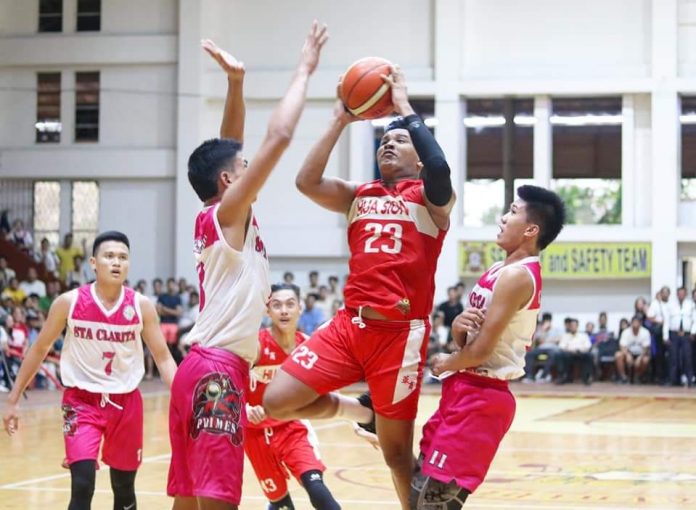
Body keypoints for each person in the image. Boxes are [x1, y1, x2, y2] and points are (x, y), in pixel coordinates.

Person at [263, 65, 456, 509]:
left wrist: (404, 106)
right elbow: (305, 182)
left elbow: (441, 166)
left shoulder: (431, 201)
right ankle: (360, 411)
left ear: (419, 158)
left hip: (399, 336)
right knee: (276, 400)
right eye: (383, 139)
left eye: (400, 139)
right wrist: (340, 119)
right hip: (350, 327)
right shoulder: (358, 194)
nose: (388, 141)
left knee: (395, 455)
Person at [166, 23, 328, 510]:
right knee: (216, 501)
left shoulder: (221, 215)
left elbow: (227, 146)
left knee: (190, 500)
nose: (249, 169)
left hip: (199, 369)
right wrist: (303, 70)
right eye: (242, 168)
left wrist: (236, 85)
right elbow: (278, 136)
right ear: (227, 180)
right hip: (217, 372)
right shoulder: (228, 214)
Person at [2, 231, 177, 510]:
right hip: (81, 402)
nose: (116, 262)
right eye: (109, 256)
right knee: (82, 484)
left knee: (124, 488)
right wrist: (12, 400)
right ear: (94, 263)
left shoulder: (141, 306)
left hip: (125, 402)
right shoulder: (68, 303)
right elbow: (39, 349)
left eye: (123, 257)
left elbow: (163, 357)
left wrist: (184, 400)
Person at [415, 185, 565, 509]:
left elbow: (482, 352)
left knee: (434, 504)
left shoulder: (518, 276)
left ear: (530, 230)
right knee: (415, 491)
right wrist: (457, 329)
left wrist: (446, 361)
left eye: (512, 211)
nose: (502, 218)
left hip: (482, 397)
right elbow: (474, 339)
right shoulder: (499, 269)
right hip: (463, 387)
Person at [245, 283, 340, 510]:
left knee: (317, 488)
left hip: (292, 427)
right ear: (268, 311)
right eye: (276, 305)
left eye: (290, 304)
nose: (284, 310)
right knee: (280, 502)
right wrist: (245, 407)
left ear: (300, 309)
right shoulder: (255, 346)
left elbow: (328, 390)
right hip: (255, 433)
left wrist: (357, 423)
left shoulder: (306, 345)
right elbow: (228, 383)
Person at [616, 315, 651, 384]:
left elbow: (646, 348)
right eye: (633, 322)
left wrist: (640, 358)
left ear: (640, 323)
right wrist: (628, 355)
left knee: (645, 360)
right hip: (628, 353)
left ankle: (637, 376)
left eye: (637, 322)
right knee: (618, 355)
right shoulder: (626, 332)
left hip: (641, 354)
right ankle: (624, 377)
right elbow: (622, 346)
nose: (635, 324)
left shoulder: (645, 332)